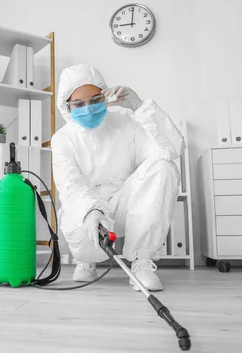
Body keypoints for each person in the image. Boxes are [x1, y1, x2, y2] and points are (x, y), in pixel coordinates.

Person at [51, 64, 184, 291]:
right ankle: (86, 261)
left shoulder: (126, 123)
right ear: (67, 106)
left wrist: (139, 107)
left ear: (105, 96)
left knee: (164, 167)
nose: (89, 108)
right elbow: (70, 184)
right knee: (87, 243)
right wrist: (90, 210)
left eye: (94, 100)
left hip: (121, 204)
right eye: (79, 104)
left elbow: (170, 150)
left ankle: (141, 262)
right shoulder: (62, 139)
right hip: (84, 213)